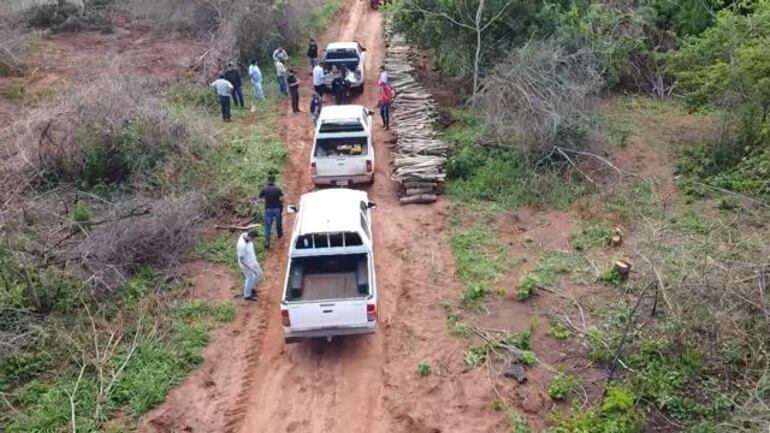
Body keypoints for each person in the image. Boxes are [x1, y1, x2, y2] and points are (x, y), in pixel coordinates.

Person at [258, 175, 284, 249]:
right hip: (277, 209)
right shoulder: (277, 189)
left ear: (268, 181)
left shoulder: (265, 189)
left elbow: (260, 197)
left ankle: (267, 242)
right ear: (274, 181)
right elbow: (282, 198)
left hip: (268, 209)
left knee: (268, 226)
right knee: (278, 223)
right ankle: (280, 234)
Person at [236, 229, 263, 301]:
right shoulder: (241, 246)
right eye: (253, 239)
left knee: (259, 274)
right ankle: (247, 295)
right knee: (250, 278)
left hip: (252, 260)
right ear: (250, 237)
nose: (254, 241)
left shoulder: (245, 235)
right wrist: (251, 268)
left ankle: (252, 288)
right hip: (246, 264)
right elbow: (242, 261)